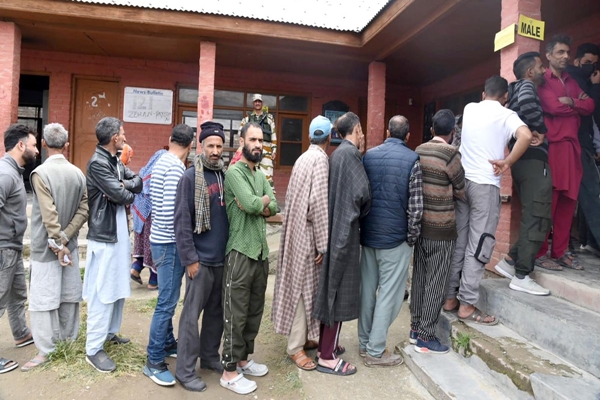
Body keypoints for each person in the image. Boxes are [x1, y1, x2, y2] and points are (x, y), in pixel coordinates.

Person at [444, 76, 532, 325]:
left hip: (463, 184)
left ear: (483, 94)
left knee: (460, 241)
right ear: (506, 97)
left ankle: (450, 298)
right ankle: (467, 305)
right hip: (485, 186)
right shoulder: (507, 115)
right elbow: (524, 136)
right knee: (480, 243)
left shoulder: (469, 109)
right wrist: (508, 162)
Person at [359, 115, 422, 367]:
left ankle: (365, 344)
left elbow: (361, 195)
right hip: (396, 238)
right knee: (389, 295)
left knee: (367, 292)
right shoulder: (412, 160)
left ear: (386, 131)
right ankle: (375, 351)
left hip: (369, 235)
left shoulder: (369, 157)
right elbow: (416, 207)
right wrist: (412, 238)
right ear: (407, 136)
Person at [25, 123, 89, 371]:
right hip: (68, 246)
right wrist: (66, 239)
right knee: (69, 296)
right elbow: (84, 209)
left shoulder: (40, 173)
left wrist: (56, 239)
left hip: (46, 247)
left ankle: (46, 350)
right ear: (67, 145)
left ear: (43, 144)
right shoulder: (77, 173)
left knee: (43, 299)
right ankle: (68, 341)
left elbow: (47, 211)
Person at [220, 122, 277, 395]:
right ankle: (229, 371)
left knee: (254, 312)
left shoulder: (260, 173)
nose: (258, 144)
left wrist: (260, 202)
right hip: (240, 252)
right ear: (242, 141)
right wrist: (260, 202)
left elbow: (273, 204)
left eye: (261, 140)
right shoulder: (234, 173)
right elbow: (255, 204)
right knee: (236, 314)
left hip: (260, 253)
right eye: (253, 139)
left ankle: (243, 361)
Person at [271, 115, 331, 372]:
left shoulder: (302, 157)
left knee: (300, 285)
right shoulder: (321, 160)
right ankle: (295, 347)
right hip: (307, 235)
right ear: (329, 139)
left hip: (293, 231)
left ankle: (303, 338)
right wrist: (323, 244)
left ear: (310, 137)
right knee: (303, 290)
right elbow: (317, 204)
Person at [313, 112, 371, 376]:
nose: (363, 135)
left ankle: (328, 346)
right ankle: (327, 356)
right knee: (336, 294)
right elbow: (362, 194)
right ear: (356, 129)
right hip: (345, 233)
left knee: (331, 290)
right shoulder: (350, 154)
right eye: (361, 130)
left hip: (335, 229)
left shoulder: (337, 154)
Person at [84, 117, 142, 373]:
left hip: (118, 233)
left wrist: (124, 185)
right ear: (113, 138)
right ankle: (93, 349)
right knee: (102, 292)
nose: (125, 135)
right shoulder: (98, 163)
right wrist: (124, 189)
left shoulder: (114, 160)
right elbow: (122, 196)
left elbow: (137, 182)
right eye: (122, 132)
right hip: (105, 236)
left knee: (117, 287)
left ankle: (109, 333)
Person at [174, 122, 229, 392]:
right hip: (200, 261)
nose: (216, 150)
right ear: (201, 146)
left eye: (219, 146)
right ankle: (184, 371)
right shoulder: (190, 177)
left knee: (216, 314)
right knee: (190, 317)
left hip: (221, 259)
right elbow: (182, 221)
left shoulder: (226, 175)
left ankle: (209, 357)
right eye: (211, 145)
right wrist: (190, 259)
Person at [494, 52, 554, 295]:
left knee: (534, 213)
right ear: (529, 72)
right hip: (531, 161)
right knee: (538, 215)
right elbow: (530, 106)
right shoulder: (527, 87)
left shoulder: (515, 91)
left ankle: (510, 262)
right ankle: (521, 275)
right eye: (541, 66)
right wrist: (540, 130)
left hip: (522, 162)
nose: (543, 70)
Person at [536, 35, 595, 269]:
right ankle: (540, 253)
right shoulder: (543, 81)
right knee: (549, 202)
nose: (565, 56)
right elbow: (552, 106)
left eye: (567, 52)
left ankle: (559, 251)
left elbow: (589, 106)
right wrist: (574, 106)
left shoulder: (571, 80)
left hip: (573, 148)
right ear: (548, 55)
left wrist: (570, 102)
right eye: (560, 52)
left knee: (568, 202)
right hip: (554, 147)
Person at [143, 124, 194, 386]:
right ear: (190, 145)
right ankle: (153, 361)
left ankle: (167, 342)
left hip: (159, 241)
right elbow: (173, 212)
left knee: (167, 298)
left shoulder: (161, 160)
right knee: (167, 303)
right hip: (169, 244)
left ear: (170, 139)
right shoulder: (176, 168)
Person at [411, 110, 465, 354]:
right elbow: (461, 188)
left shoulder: (418, 151)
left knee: (420, 278)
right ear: (452, 133)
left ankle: (414, 328)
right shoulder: (452, 154)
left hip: (420, 226)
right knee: (436, 282)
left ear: (432, 130)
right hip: (442, 230)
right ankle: (426, 335)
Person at [0, 124, 38, 374]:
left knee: (16, 295)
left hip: (11, 246)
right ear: (21, 145)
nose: (36, 150)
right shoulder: (5, 174)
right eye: (34, 145)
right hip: (3, 248)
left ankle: (21, 333)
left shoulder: (13, 172)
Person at [565, 43, 600, 254]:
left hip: (583, 143)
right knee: (592, 194)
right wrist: (595, 87)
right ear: (576, 61)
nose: (591, 67)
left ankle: (588, 242)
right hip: (577, 145)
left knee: (585, 196)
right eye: (587, 63)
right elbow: (591, 110)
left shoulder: (584, 80)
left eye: (595, 64)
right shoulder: (575, 80)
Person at [131, 149, 167, 291]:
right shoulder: (158, 175)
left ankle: (136, 268)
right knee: (151, 245)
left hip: (140, 215)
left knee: (142, 243)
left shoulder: (144, 172)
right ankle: (153, 280)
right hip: (151, 214)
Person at [239, 94, 277, 192]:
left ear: (262, 103)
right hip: (252, 150)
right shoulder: (247, 119)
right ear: (253, 103)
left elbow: (273, 133)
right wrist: (243, 149)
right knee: (251, 174)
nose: (257, 103)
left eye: (259, 101)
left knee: (267, 176)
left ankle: (270, 200)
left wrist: (274, 150)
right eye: (255, 101)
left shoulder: (269, 118)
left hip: (267, 151)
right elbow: (241, 134)